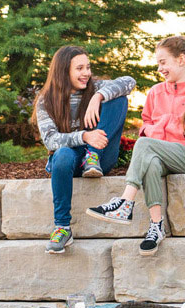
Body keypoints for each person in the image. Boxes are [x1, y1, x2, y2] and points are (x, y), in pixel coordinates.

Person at [86, 36, 185, 256]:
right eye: (158, 63)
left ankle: (125, 201)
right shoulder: (154, 92)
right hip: (159, 154)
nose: (159, 67)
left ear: (181, 60)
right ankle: (156, 226)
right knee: (150, 162)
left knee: (144, 145)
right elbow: (146, 124)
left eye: (163, 62)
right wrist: (151, 130)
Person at [33, 45, 135, 254]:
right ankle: (62, 227)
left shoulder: (94, 88)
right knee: (61, 154)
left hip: (100, 158)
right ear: (64, 71)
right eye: (79, 68)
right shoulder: (46, 100)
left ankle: (92, 157)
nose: (86, 73)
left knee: (118, 98)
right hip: (68, 161)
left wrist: (98, 97)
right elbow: (50, 140)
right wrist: (85, 136)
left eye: (88, 67)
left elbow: (129, 82)